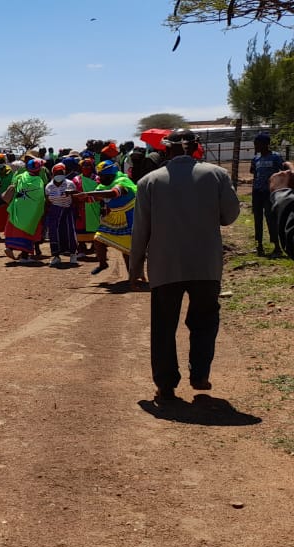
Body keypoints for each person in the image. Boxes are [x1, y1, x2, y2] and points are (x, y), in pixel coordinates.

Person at [129, 128, 240, 405]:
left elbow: (140, 230)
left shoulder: (149, 181)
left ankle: (165, 385)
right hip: (206, 265)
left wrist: (135, 269)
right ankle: (200, 374)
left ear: (166, 149)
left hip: (165, 265)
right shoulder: (217, 175)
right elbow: (229, 216)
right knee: (205, 320)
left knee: (164, 326)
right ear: (197, 147)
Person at [88, 160, 140, 282]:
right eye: (99, 176)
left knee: (126, 249)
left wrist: (86, 193)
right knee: (98, 239)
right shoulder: (102, 186)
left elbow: (114, 193)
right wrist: (76, 196)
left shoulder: (122, 181)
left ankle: (133, 276)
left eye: (103, 176)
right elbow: (92, 198)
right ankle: (103, 264)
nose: (100, 178)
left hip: (130, 216)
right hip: (115, 216)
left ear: (111, 175)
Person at [1, 159, 47, 262]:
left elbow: (15, 190)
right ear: (39, 170)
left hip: (18, 207)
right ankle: (24, 256)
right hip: (31, 210)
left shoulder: (20, 177)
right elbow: (40, 197)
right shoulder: (38, 181)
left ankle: (10, 247)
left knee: (15, 229)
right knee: (28, 229)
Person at [250, 131, 286, 257]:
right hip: (257, 192)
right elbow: (253, 173)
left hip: (269, 193)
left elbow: (283, 171)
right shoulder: (256, 159)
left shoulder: (275, 157)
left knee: (271, 219)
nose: (255, 146)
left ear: (265, 144)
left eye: (257, 144)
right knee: (257, 219)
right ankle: (259, 245)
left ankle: (277, 247)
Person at [44, 163, 79, 267]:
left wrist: (72, 193)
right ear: (53, 174)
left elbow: (76, 197)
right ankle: (56, 256)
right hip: (54, 212)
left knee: (69, 232)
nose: (59, 175)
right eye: (57, 173)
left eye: (61, 172)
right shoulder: (49, 186)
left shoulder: (70, 183)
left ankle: (73, 255)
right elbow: (47, 201)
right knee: (54, 234)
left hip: (67, 211)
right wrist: (45, 214)